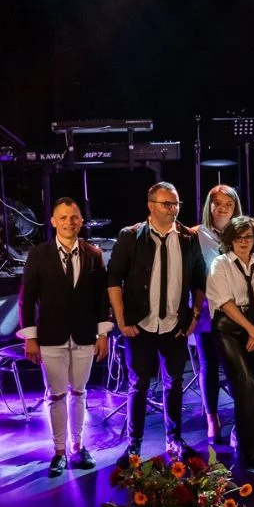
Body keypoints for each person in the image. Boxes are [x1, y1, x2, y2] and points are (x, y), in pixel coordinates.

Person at [108, 182, 206, 461]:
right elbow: (114, 279)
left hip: (175, 325)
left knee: (174, 383)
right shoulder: (131, 236)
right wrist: (121, 319)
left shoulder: (188, 238)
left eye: (176, 204)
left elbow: (200, 279)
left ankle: (174, 440)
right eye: (167, 204)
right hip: (139, 325)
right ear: (151, 205)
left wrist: (194, 315)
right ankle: (134, 445)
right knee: (138, 384)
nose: (173, 209)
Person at [18, 197, 111, 476]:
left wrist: (103, 334)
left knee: (79, 392)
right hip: (50, 336)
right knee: (56, 394)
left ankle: (77, 447)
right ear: (53, 221)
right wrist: (30, 337)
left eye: (74, 217)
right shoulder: (39, 254)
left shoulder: (94, 254)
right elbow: (26, 299)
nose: (69, 222)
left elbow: (102, 299)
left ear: (81, 221)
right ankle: (59, 451)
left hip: (84, 335)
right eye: (63, 217)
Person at [204, 215, 254, 467]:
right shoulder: (220, 264)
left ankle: (245, 441)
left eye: (249, 237)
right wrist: (250, 329)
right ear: (230, 240)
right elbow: (225, 303)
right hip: (230, 327)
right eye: (239, 237)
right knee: (245, 383)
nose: (244, 242)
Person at [193, 184, 242, 445]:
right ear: (209, 206)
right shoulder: (195, 234)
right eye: (218, 203)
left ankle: (240, 420)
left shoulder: (242, 232)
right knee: (208, 367)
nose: (223, 208)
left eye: (228, 204)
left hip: (237, 311)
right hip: (206, 312)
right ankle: (212, 419)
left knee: (235, 367)